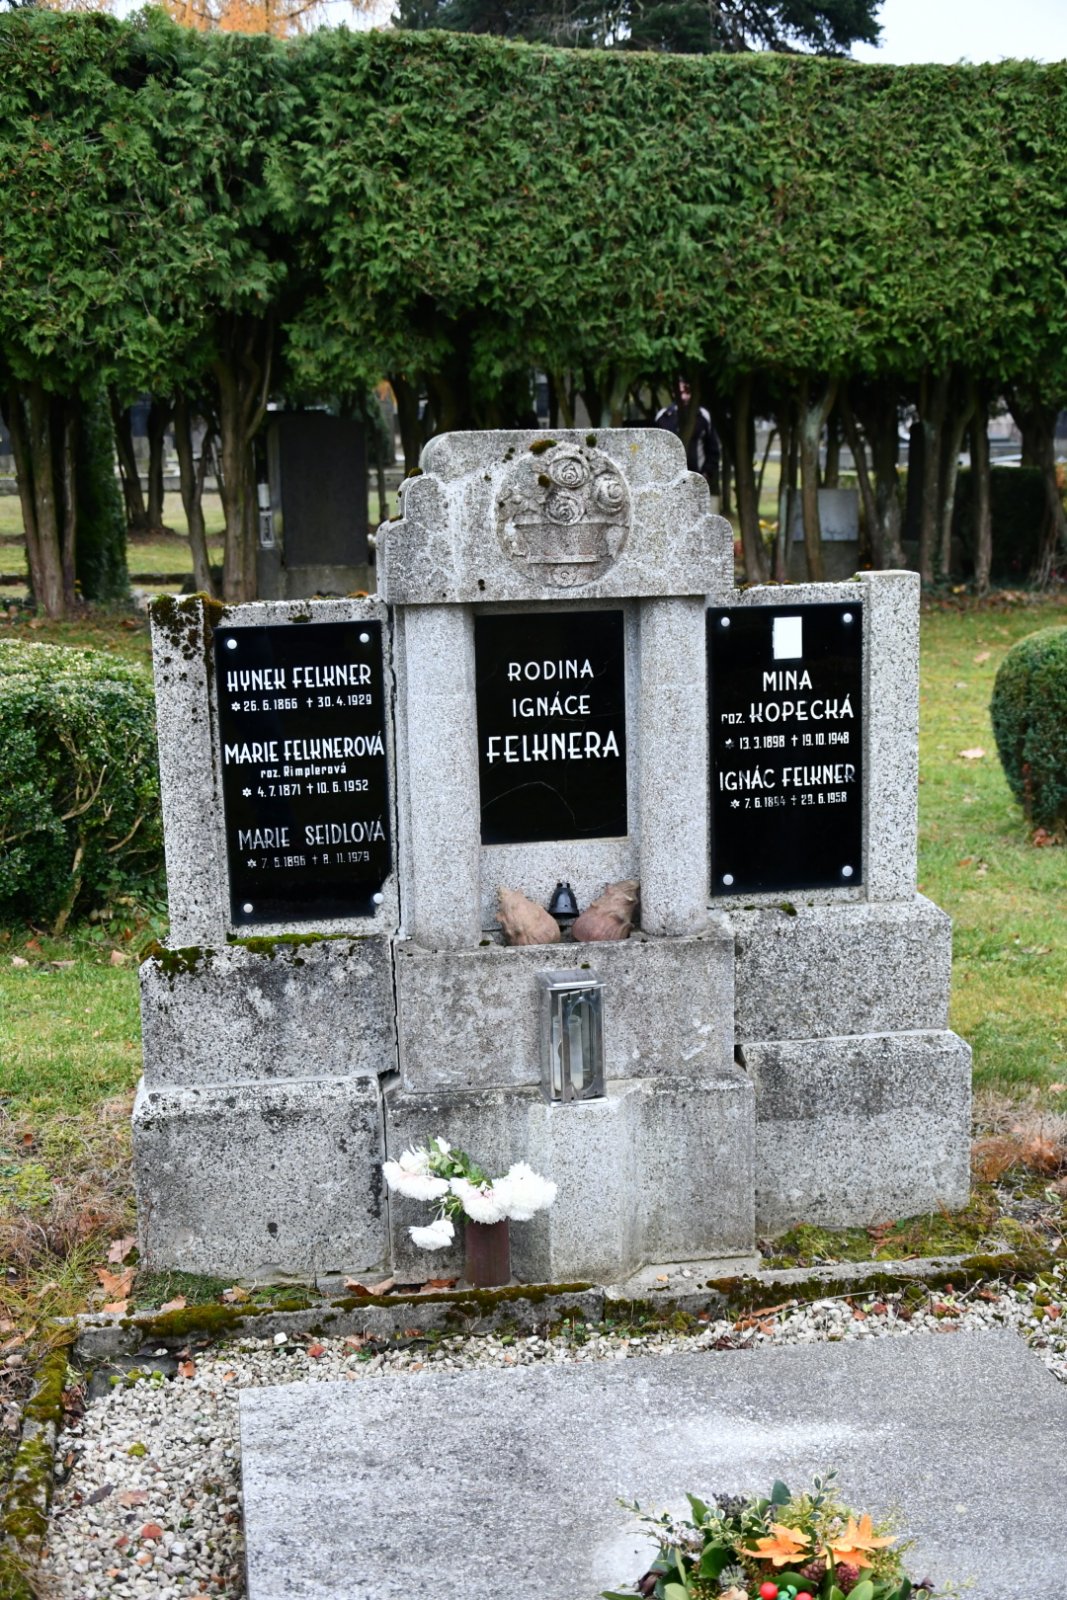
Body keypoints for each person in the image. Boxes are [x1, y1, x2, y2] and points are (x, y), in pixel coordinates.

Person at [654, 380, 721, 506]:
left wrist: (706, 475)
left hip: (696, 481)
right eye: (681, 392)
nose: (684, 396)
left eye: (687, 392)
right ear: (674, 392)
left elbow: (713, 450)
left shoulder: (703, 416)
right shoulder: (663, 417)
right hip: (668, 483)